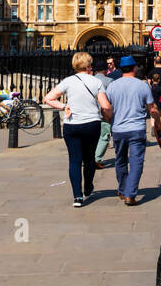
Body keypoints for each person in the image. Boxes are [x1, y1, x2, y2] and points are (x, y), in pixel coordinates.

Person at [44, 52, 114, 208]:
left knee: (74, 161)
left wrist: (64, 106)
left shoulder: (67, 81)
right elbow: (106, 106)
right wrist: (109, 117)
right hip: (92, 124)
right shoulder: (96, 82)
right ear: (89, 65)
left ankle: (77, 196)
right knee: (89, 158)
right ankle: (88, 187)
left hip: (72, 125)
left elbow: (48, 98)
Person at [107, 54, 161, 205]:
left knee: (120, 160)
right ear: (134, 68)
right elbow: (152, 109)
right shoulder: (142, 85)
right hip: (137, 128)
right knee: (136, 162)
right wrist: (158, 125)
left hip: (118, 129)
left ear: (120, 69)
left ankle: (122, 188)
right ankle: (130, 194)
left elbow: (107, 108)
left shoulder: (112, 86)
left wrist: (109, 123)